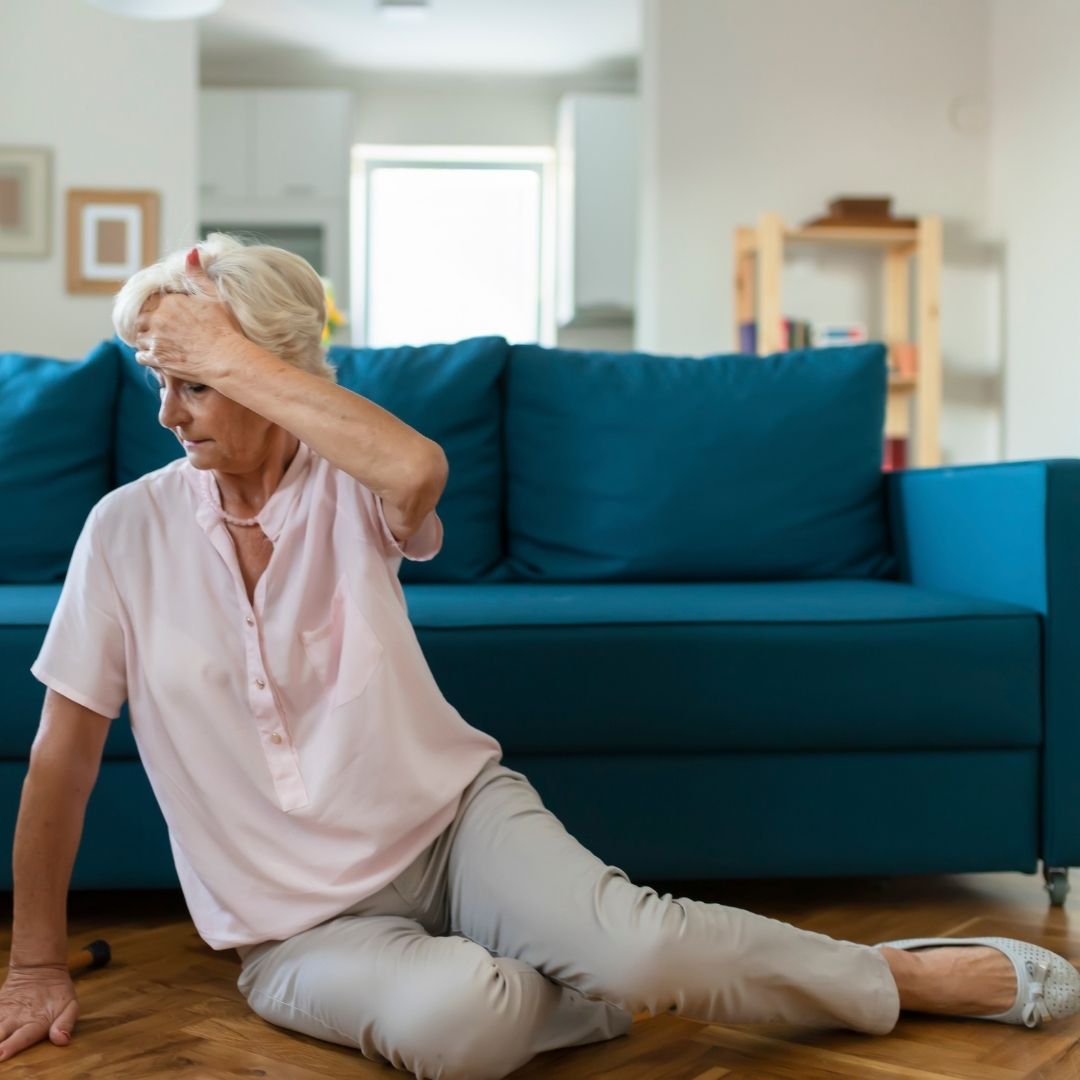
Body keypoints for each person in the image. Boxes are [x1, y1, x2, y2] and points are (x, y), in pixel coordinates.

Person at [1, 233, 1077, 1077]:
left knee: (643, 949)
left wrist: (231, 351)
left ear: (273, 371)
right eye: (160, 377)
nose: (166, 410)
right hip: (295, 929)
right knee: (465, 1028)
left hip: (453, 825)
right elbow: (62, 758)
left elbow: (415, 467)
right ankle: (657, 969)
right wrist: (36, 963)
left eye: (192, 381)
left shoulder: (347, 484)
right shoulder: (126, 532)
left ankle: (891, 977)